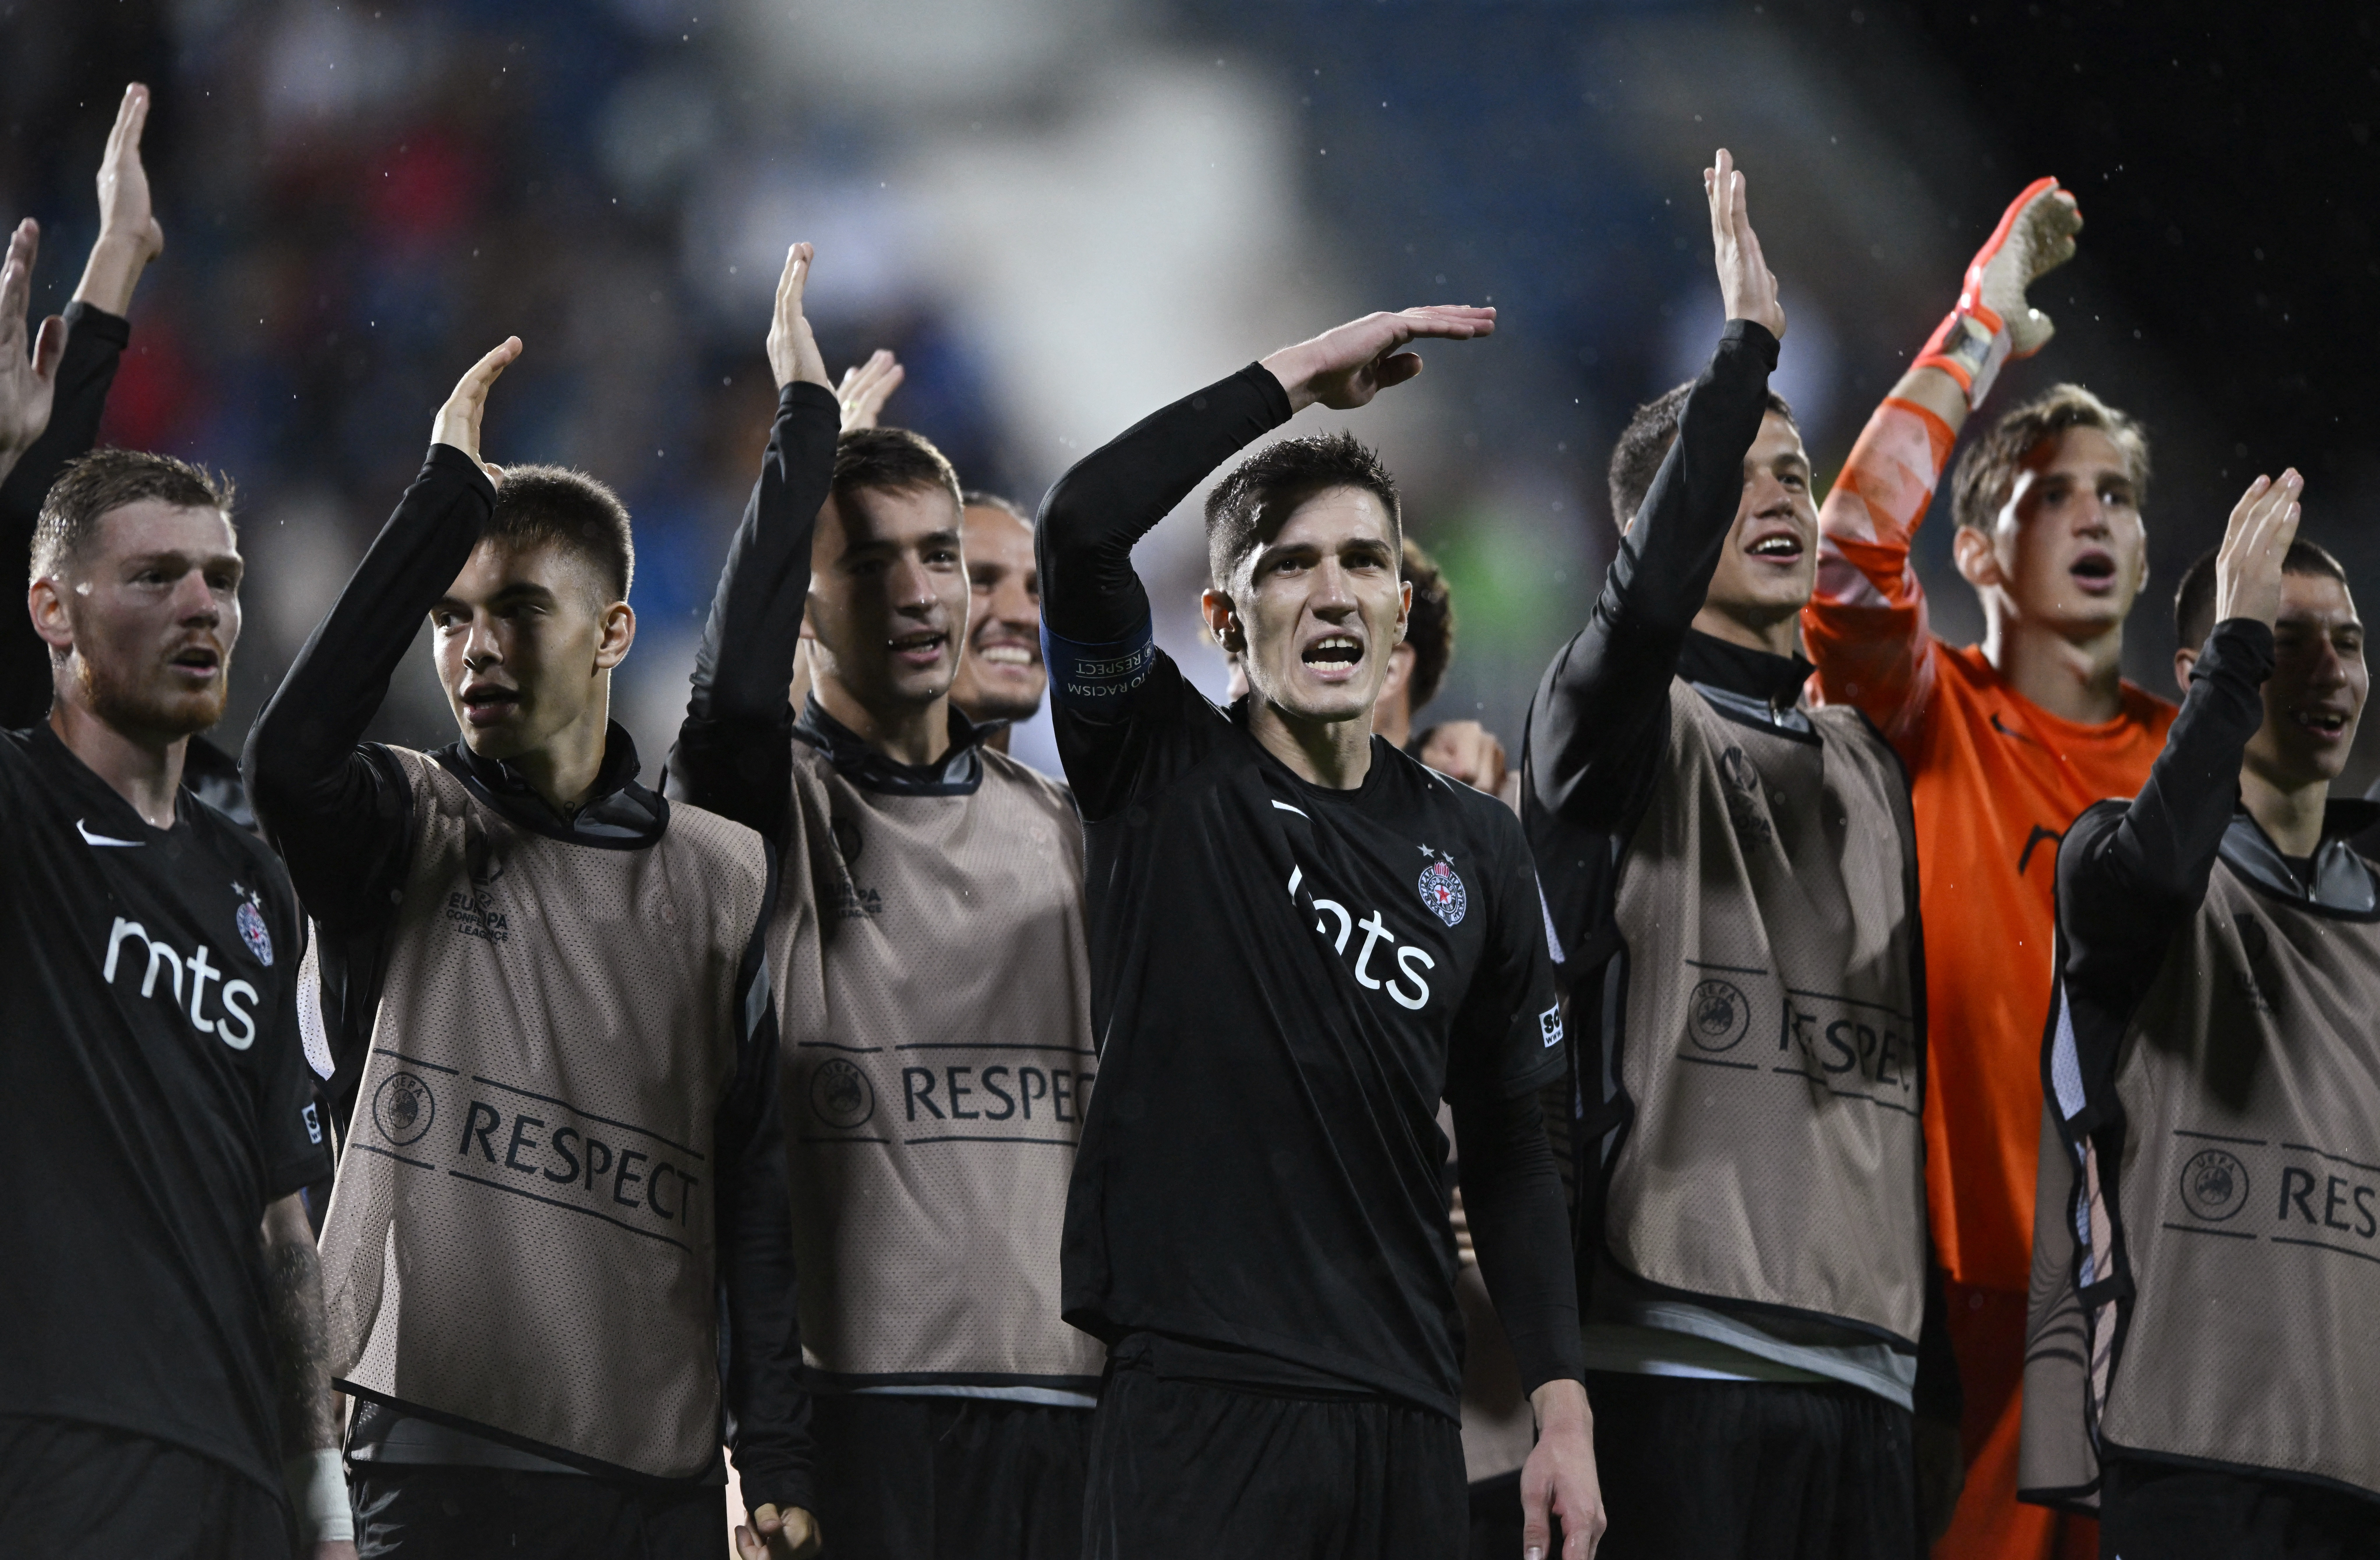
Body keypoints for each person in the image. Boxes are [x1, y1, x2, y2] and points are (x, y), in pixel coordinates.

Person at [1036, 280, 1603, 1555]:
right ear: (1225, 623)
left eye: (1366, 561)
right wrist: (1291, 377)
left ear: (1404, 613)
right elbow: (1078, 526)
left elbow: (1516, 1144)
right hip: (1199, 1398)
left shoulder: (1478, 845)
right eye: (1290, 563)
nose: (1335, 589)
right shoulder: (1157, 767)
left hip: (1407, 1413)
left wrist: (1561, 1411)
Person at [244, 327, 817, 1558]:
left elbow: (752, 1190)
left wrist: (771, 1438)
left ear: (613, 632)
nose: (475, 647)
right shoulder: (401, 825)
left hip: (653, 1472)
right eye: (450, 618)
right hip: (432, 1452)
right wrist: (443, 495)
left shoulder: (718, 874)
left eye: (516, 608)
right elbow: (285, 760)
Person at [1523, 151, 1958, 1559]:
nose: (1781, 497)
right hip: (1677, 1350)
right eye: (1738, 479)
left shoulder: (1869, 765)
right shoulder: (1611, 725)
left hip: (1870, 1367)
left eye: (1796, 472)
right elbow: (1636, 616)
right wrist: (1745, 358)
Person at [669, 248, 1102, 1559]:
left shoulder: (1065, 832)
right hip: (854, 1416)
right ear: (806, 602)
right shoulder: (764, 810)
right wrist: (804, 439)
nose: (919, 593)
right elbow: (727, 710)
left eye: (939, 560)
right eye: (870, 565)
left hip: (1070, 1408)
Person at [1799, 177, 2161, 1560]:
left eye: (2115, 496)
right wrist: (1980, 329)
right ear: (1975, 549)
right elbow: (1846, 554)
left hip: (2171, 1316)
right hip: (1965, 1316)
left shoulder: (2194, 773)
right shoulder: (1932, 710)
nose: (2090, 517)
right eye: (2047, 493)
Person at [2019, 471, 2380, 1556]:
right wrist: (2235, 646)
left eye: (2350, 645)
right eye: (2288, 638)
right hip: (2186, 1455)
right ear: (2205, 671)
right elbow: (2160, 873)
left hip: (2359, 1472)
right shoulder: (2112, 864)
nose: (2329, 670)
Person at [0, 440, 350, 1551]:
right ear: (53, 610)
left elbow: (281, 1228)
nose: (203, 606)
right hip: (55, 1449)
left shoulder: (256, 885)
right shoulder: (19, 812)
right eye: (157, 577)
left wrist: (324, 1507)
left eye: (224, 579)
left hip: (237, 1478)